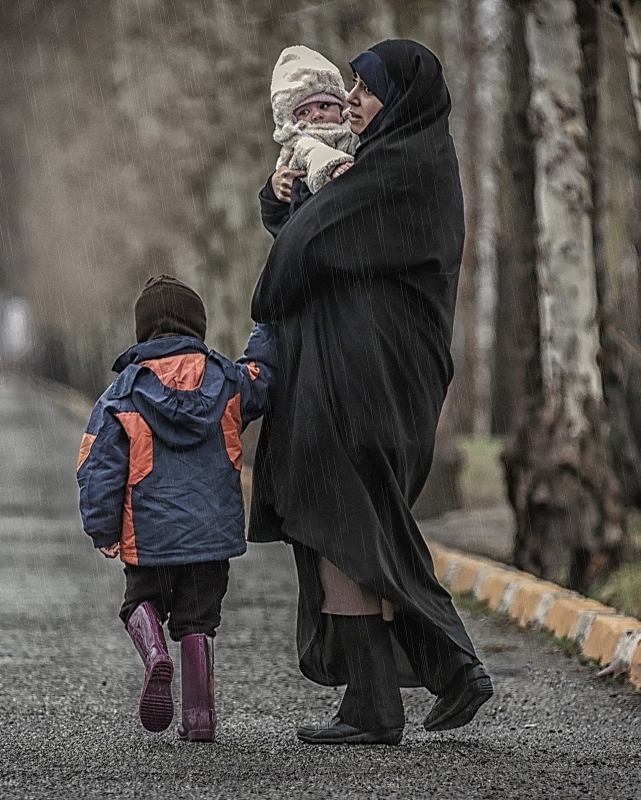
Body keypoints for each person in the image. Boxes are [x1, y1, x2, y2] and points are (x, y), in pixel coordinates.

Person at [249, 40, 493, 746]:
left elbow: (304, 251)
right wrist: (280, 195)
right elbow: (304, 231)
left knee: (345, 519)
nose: (350, 99)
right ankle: (388, 695)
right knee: (355, 523)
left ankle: (433, 672)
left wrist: (274, 285)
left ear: (402, 95)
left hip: (369, 384)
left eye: (363, 87)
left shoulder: (402, 170)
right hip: (355, 378)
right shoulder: (394, 162)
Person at [76, 275, 275, 743]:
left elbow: (96, 465)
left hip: (149, 537)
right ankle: (199, 718)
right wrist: (268, 323)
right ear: (198, 326)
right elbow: (261, 379)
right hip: (210, 537)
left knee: (138, 603)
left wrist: (102, 528)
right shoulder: (226, 380)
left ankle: (154, 656)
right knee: (199, 619)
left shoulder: (123, 392)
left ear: (142, 331)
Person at [269, 45, 359, 202]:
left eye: (324, 106)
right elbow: (312, 154)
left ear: (340, 108)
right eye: (304, 112)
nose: (316, 115)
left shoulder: (355, 127)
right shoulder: (300, 142)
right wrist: (332, 167)